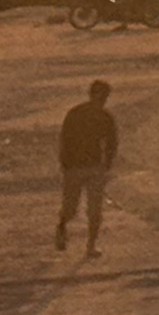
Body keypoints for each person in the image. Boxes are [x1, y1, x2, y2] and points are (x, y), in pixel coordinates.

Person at [54, 79, 118, 256]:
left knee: (93, 210)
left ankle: (90, 244)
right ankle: (63, 228)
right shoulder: (82, 114)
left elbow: (112, 143)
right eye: (102, 96)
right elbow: (65, 139)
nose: (103, 100)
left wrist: (106, 164)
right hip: (77, 167)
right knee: (72, 208)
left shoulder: (97, 116)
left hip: (89, 167)